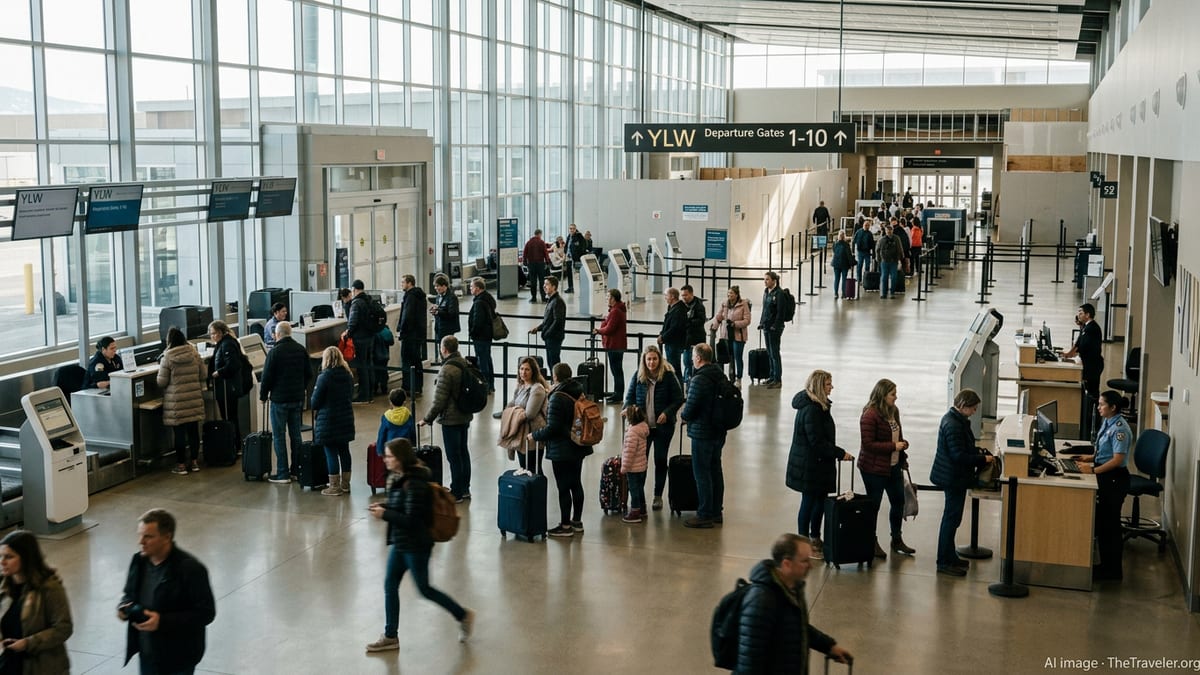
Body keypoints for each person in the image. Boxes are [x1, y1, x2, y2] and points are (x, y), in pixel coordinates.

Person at [366, 439, 475, 652]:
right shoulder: (401, 477)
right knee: (390, 585)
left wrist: (385, 514)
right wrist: (385, 506)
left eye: (389, 456)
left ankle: (463, 615)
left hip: (416, 546)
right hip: (401, 542)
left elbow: (413, 520)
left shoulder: (415, 482)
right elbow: (404, 505)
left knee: (424, 589)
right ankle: (390, 636)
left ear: (401, 458)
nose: (385, 459)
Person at [736, 534, 853, 674]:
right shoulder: (760, 602)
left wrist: (828, 646)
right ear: (787, 564)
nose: (811, 566)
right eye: (805, 561)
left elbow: (797, 627)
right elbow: (749, 664)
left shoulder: (792, 586)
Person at [119, 509, 216, 674]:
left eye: (148, 537)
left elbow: (206, 613)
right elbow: (129, 594)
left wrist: (162, 621)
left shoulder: (190, 569)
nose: (141, 542)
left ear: (167, 537)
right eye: (140, 535)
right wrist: (124, 607)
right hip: (147, 653)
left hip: (177, 659)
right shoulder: (139, 561)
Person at [786, 370, 851, 559]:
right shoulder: (812, 410)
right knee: (809, 502)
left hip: (817, 464)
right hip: (810, 465)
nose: (832, 387)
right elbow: (817, 442)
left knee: (819, 501)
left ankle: (814, 537)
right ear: (819, 386)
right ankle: (804, 542)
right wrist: (840, 453)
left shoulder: (818, 406)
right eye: (828, 384)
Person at [930, 389, 994, 577]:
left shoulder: (956, 420)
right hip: (953, 478)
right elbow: (958, 455)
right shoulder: (953, 425)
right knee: (951, 520)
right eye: (973, 408)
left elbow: (963, 448)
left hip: (954, 476)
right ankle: (943, 561)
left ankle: (950, 556)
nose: (974, 412)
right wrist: (982, 459)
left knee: (953, 519)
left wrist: (977, 452)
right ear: (964, 405)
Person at [530, 363, 591, 537]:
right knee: (576, 483)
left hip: (562, 449)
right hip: (579, 444)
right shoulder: (578, 390)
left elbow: (553, 428)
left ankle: (565, 526)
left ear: (555, 376)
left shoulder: (557, 397)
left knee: (563, 487)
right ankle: (577, 521)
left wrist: (535, 435)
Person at [0, 530, 73, 674]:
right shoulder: (3, 586)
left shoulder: (49, 588)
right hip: (8, 663)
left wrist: (28, 643)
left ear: (26, 558)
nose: (2, 562)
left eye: (9, 556)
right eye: (0, 556)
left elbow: (63, 628)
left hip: (41, 667)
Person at [858, 378, 914, 559]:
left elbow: (898, 435)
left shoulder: (893, 411)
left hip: (893, 466)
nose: (896, 397)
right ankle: (871, 540)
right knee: (874, 506)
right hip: (873, 468)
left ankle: (896, 539)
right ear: (882, 395)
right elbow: (868, 444)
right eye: (893, 394)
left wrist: (902, 451)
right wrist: (893, 446)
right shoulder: (870, 415)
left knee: (898, 502)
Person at [623, 345, 684, 511]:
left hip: (663, 427)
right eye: (649, 359)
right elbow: (629, 398)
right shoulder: (638, 376)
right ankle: (639, 498)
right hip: (643, 428)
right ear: (644, 360)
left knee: (660, 460)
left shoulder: (668, 376)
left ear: (660, 359)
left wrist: (667, 412)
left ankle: (658, 495)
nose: (651, 362)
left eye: (655, 359)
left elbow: (678, 398)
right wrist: (629, 409)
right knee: (640, 463)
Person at [1080, 390, 1133, 582]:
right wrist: (1090, 458)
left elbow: (1117, 460)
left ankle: (1112, 571)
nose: (1098, 407)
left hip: (1114, 479)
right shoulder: (1108, 421)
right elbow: (1104, 450)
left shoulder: (1120, 429)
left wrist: (1093, 470)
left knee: (1109, 525)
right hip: (1106, 473)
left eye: (1102, 404)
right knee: (1103, 523)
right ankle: (1105, 565)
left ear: (1113, 407)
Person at [420, 336, 475, 503]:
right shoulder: (465, 363)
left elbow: (439, 400)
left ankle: (456, 492)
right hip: (465, 415)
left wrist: (427, 419)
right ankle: (465, 489)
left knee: (454, 456)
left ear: (444, 349)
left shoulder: (447, 369)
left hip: (451, 419)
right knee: (463, 452)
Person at [679, 344, 727, 528]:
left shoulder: (699, 379)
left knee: (702, 473)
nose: (692, 359)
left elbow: (690, 408)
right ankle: (716, 511)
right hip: (718, 431)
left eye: (693, 356)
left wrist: (684, 416)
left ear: (698, 358)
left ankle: (705, 514)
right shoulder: (719, 374)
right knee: (715, 470)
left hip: (702, 433)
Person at [259, 320, 312, 483]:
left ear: (277, 334)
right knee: (296, 435)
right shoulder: (301, 349)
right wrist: (301, 388)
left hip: (279, 399)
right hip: (297, 398)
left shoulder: (275, 352)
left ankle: (282, 473)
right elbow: (309, 374)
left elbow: (266, 377)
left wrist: (263, 396)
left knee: (279, 436)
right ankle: (296, 470)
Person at [157, 327, 208, 476]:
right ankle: (194, 462)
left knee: (179, 434)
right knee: (193, 432)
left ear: (169, 341)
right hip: (193, 398)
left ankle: (181, 465)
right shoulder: (194, 353)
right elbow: (203, 374)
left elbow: (161, 382)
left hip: (176, 402)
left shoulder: (167, 357)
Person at [312, 346, 356, 496]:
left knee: (330, 451)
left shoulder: (324, 377)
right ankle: (346, 484)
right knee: (344, 450)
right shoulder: (348, 375)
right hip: (345, 417)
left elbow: (315, 402)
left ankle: (334, 486)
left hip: (328, 420)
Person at [1062, 303, 1105, 438]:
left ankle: (1094, 424)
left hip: (1092, 367)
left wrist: (1071, 354)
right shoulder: (1087, 327)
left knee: (1092, 395)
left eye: (1081, 312)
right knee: (1090, 394)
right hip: (1090, 364)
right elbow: (1079, 341)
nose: (1078, 315)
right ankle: (1090, 421)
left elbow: (1082, 345)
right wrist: (1069, 354)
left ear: (1088, 315)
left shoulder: (1092, 328)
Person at [506, 356, 549, 473]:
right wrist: (513, 411)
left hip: (532, 435)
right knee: (524, 468)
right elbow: (511, 404)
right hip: (521, 433)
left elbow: (530, 414)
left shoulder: (537, 389)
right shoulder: (521, 386)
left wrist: (512, 413)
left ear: (533, 371)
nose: (523, 372)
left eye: (527, 369)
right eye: (521, 369)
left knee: (533, 469)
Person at [207, 320, 245, 442]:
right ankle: (233, 443)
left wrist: (218, 372)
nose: (212, 336)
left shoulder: (227, 344)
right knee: (230, 416)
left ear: (221, 332)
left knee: (229, 416)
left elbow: (233, 364)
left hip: (227, 387)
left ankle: (233, 443)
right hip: (227, 387)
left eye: (214, 333)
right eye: (211, 334)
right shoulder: (224, 343)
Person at [343, 280, 378, 403]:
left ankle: (363, 395)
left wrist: (348, 333)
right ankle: (371, 393)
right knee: (369, 365)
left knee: (361, 367)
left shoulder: (357, 303)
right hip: (370, 337)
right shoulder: (369, 300)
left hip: (360, 339)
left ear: (354, 289)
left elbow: (353, 322)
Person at [710, 286, 751, 386]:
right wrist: (714, 327)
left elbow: (747, 320)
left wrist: (735, 324)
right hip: (725, 335)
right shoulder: (724, 304)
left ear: (736, 294)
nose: (729, 295)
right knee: (723, 357)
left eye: (731, 293)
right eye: (728, 293)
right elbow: (718, 317)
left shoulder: (743, 304)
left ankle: (738, 378)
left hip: (738, 336)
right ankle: (723, 378)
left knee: (737, 357)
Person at [592, 288, 627, 404]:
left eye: (608, 297)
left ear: (613, 299)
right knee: (617, 371)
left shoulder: (615, 312)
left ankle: (618, 394)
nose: (607, 299)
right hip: (616, 345)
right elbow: (607, 324)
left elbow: (609, 328)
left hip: (615, 345)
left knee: (616, 371)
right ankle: (617, 393)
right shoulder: (616, 310)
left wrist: (598, 330)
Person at [397, 274, 427, 397]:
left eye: (403, 282)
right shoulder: (420, 296)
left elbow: (407, 316)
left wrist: (401, 330)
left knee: (407, 361)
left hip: (409, 335)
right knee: (416, 361)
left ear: (410, 283)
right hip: (418, 334)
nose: (401, 284)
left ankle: (408, 387)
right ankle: (417, 386)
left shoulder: (410, 297)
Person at [620, 405, 650, 524]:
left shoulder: (632, 433)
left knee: (633, 489)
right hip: (641, 465)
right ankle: (642, 509)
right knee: (640, 488)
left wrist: (624, 468)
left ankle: (635, 511)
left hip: (633, 467)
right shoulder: (643, 428)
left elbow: (629, 453)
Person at [528, 276, 566, 368]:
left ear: (554, 287)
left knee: (554, 363)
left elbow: (557, 320)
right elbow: (548, 320)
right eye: (544, 284)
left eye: (547, 284)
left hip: (554, 337)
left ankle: (555, 377)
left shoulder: (557, 301)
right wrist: (538, 328)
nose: (544, 286)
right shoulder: (552, 300)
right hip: (551, 337)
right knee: (551, 363)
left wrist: (547, 333)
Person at [467, 277, 497, 392]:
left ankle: (485, 385)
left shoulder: (479, 303)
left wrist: (472, 333)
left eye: (472, 287)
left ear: (478, 288)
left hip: (480, 336)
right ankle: (491, 384)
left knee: (482, 361)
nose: (470, 288)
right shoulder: (488, 299)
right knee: (487, 359)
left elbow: (478, 321)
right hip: (487, 335)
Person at [758, 272, 784, 389]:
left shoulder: (779, 294)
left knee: (774, 353)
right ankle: (772, 376)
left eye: (767, 279)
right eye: (765, 279)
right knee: (769, 352)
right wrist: (761, 322)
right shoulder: (766, 292)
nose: (765, 281)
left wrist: (776, 325)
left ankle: (777, 379)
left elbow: (780, 312)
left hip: (774, 328)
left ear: (774, 281)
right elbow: (765, 309)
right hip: (766, 326)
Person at [376, 388, 417, 458]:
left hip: (391, 448)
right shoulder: (408, 415)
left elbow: (382, 434)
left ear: (390, 402)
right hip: (405, 448)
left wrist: (380, 451)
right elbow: (412, 432)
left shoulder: (386, 416)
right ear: (404, 402)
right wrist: (413, 446)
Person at [679, 285, 707, 384]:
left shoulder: (699, 306)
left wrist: (688, 322)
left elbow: (701, 320)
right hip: (686, 339)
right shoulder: (682, 305)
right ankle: (687, 381)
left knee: (693, 362)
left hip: (696, 339)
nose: (684, 297)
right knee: (687, 362)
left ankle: (691, 381)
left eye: (686, 295)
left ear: (691, 294)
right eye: (682, 295)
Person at [657, 288, 688, 377]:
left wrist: (663, 337)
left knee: (674, 368)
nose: (665, 298)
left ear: (672, 296)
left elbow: (675, 328)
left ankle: (677, 385)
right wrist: (662, 334)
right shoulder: (674, 308)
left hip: (674, 344)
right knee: (673, 367)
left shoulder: (678, 310)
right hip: (671, 343)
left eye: (666, 295)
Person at [429, 275, 460, 354]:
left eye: (437, 286)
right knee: (441, 350)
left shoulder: (451, 297)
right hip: (439, 328)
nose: (436, 288)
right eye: (435, 286)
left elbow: (452, 313)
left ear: (444, 286)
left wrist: (438, 312)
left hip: (447, 328)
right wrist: (434, 311)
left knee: (448, 350)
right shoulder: (438, 297)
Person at [875, 224, 904, 300]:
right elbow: (877, 249)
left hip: (894, 261)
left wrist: (900, 258)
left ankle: (892, 292)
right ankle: (883, 293)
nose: (889, 232)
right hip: (884, 261)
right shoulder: (882, 240)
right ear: (885, 231)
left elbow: (900, 248)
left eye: (890, 230)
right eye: (887, 230)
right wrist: (878, 259)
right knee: (884, 277)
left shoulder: (896, 238)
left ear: (892, 231)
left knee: (894, 277)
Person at [523, 228, 550, 302]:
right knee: (542, 281)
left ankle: (533, 298)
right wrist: (547, 262)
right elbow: (545, 253)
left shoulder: (529, 242)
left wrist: (525, 261)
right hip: (540, 264)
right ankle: (543, 298)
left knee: (533, 281)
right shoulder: (541, 242)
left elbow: (525, 253)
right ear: (540, 234)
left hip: (531, 264)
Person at [830, 231, 854, 300]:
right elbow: (849, 255)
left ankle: (836, 293)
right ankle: (843, 293)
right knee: (844, 279)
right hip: (844, 264)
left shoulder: (835, 244)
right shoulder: (846, 245)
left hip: (836, 263)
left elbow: (834, 251)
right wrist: (852, 263)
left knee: (836, 279)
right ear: (844, 237)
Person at [565, 223, 588, 293]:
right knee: (569, 274)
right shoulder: (569, 236)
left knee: (580, 275)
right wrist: (565, 253)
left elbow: (583, 246)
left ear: (575, 229)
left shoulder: (579, 236)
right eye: (570, 228)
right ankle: (570, 288)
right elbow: (567, 246)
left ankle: (583, 289)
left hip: (576, 258)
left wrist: (578, 255)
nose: (572, 230)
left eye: (573, 229)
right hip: (569, 258)